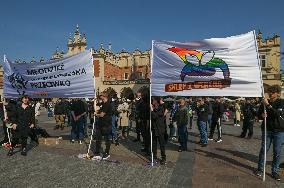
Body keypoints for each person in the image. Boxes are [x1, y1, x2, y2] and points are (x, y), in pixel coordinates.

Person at [255, 85, 284, 181]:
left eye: (273, 92)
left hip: (279, 131)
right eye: (270, 91)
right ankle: (260, 169)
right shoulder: (264, 103)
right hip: (267, 129)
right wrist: (261, 115)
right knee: (264, 150)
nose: (270, 93)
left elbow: (278, 114)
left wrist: (268, 105)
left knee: (277, 152)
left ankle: (274, 171)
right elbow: (258, 116)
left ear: (278, 93)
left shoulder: (281, 102)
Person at [93, 92, 113, 160]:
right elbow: (98, 107)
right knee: (98, 139)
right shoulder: (103, 103)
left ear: (104, 96)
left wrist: (96, 115)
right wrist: (96, 109)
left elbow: (102, 114)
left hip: (106, 124)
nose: (99, 96)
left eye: (100, 95)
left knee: (107, 139)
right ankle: (97, 152)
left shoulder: (107, 104)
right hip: (100, 124)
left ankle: (107, 153)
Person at [151, 97, 167, 165]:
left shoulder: (161, 108)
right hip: (154, 129)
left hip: (160, 129)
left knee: (161, 145)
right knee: (154, 144)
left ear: (156, 101)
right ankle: (154, 156)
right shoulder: (154, 108)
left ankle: (163, 158)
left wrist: (151, 110)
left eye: (153, 100)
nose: (152, 102)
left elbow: (155, 116)